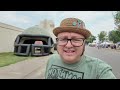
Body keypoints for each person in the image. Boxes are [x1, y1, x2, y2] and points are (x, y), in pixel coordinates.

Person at [45, 18, 116, 79]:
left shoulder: (98, 70)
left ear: (84, 43)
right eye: (63, 39)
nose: (68, 45)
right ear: (57, 42)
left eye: (76, 40)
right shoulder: (51, 60)